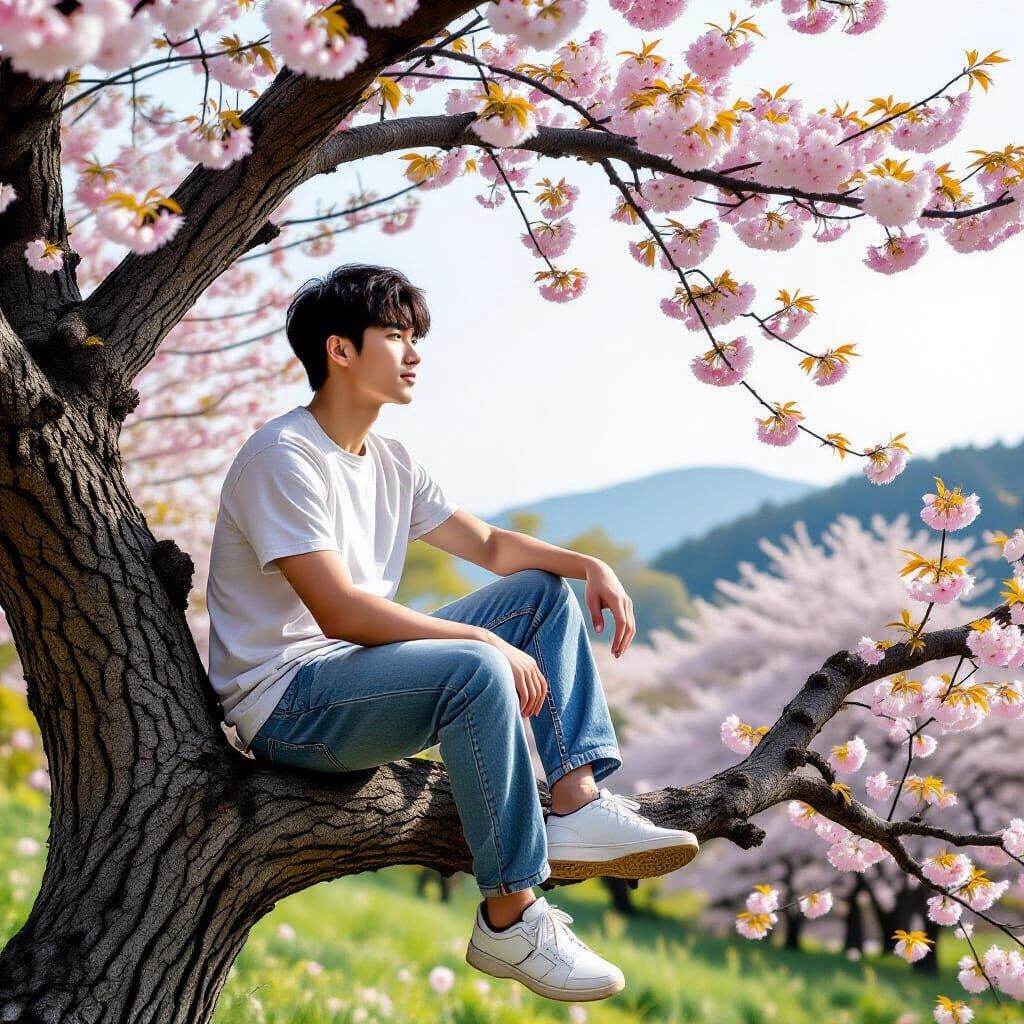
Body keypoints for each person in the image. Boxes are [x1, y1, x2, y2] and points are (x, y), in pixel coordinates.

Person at [205, 263, 700, 1003]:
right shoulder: (283, 457)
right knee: (478, 668)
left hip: (358, 673)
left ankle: (576, 803)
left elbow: (493, 548)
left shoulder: (391, 461)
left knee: (538, 594)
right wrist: (484, 643)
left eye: (416, 337)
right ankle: (510, 918)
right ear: (339, 350)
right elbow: (340, 612)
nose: (415, 353)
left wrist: (588, 564)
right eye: (396, 335)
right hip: (290, 703)